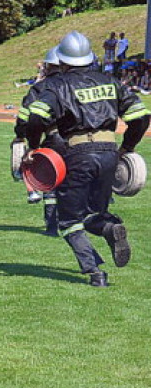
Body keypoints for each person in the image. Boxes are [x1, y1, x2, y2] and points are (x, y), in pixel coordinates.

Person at [26, 31, 150, 286]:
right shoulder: (110, 80)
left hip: (77, 153)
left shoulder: (57, 84)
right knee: (95, 211)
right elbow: (141, 116)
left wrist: (33, 146)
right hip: (109, 153)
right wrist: (126, 148)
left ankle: (95, 273)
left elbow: (36, 115)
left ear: (62, 61)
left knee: (69, 220)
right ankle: (109, 228)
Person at [13, 47, 66, 234]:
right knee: (75, 182)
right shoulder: (75, 83)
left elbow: (25, 115)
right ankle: (76, 223)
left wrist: (20, 135)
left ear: (48, 65)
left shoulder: (41, 87)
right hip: (79, 141)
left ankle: (52, 226)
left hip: (54, 139)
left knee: (51, 183)